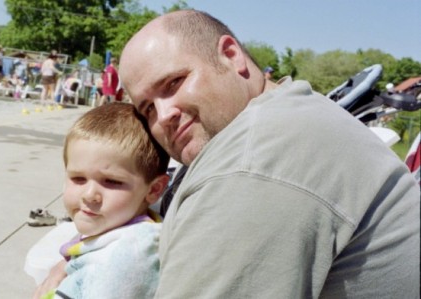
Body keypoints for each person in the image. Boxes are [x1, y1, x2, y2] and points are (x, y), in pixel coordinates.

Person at [37, 10, 420, 298]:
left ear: (232, 56)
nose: (165, 114)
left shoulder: (252, 165)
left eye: (174, 82)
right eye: (147, 109)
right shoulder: (290, 110)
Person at [38, 102, 170, 299]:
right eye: (78, 178)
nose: (89, 194)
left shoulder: (123, 261)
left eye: (112, 181)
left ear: (154, 189)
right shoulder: (118, 227)